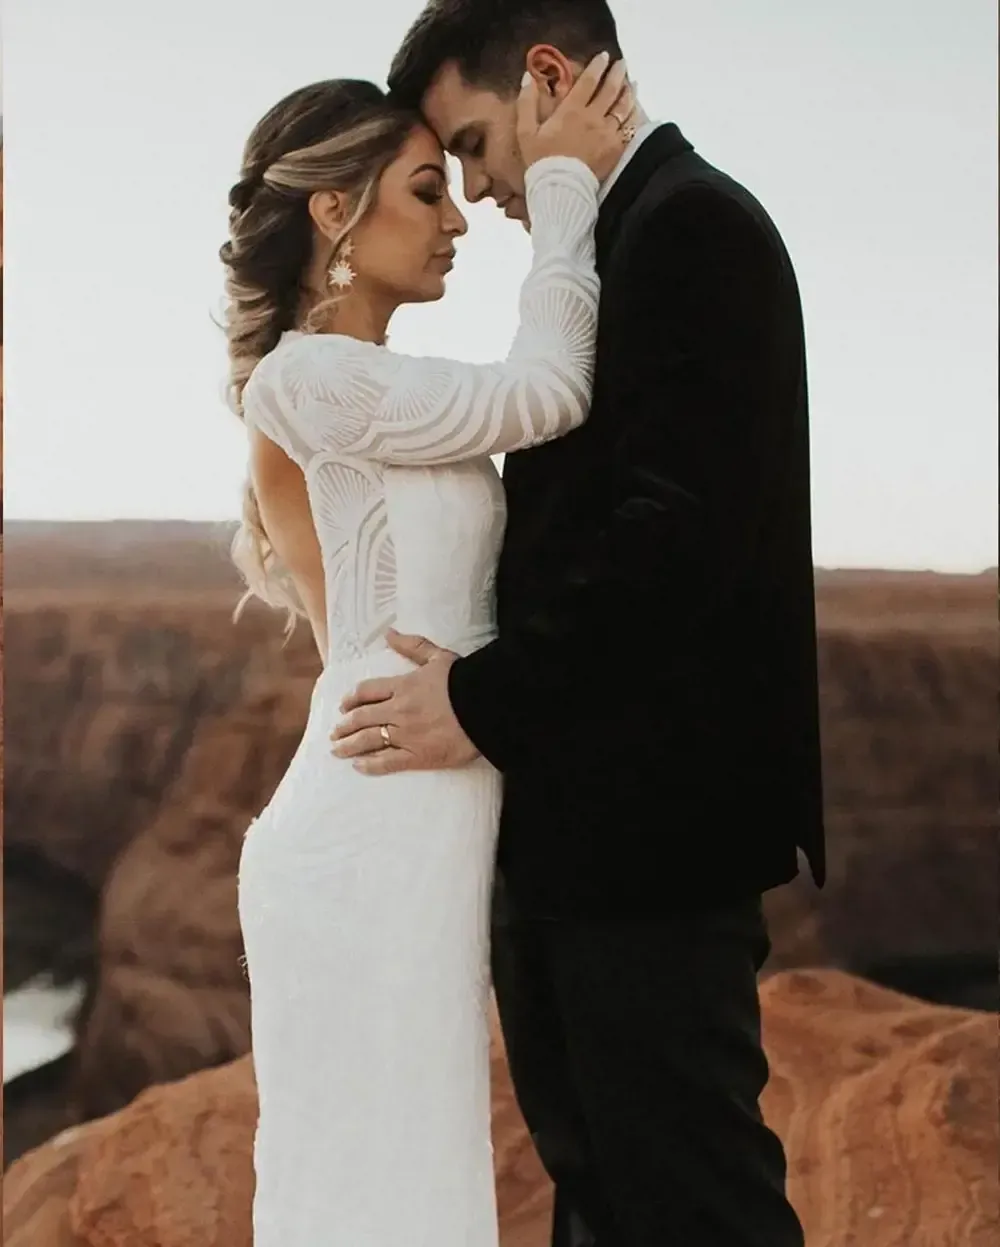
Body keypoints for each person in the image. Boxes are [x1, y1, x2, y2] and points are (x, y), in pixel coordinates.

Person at [330, 1, 826, 1243]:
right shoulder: (616, 241)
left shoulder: (691, 228)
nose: (481, 189)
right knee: (604, 1197)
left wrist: (475, 702)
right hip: (585, 834)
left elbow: (673, 544)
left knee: (691, 1203)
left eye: (478, 147)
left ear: (547, 77)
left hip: (652, 847)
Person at [226, 65, 633, 1245]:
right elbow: (553, 389)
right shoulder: (312, 376)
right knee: (377, 1188)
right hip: (366, 842)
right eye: (425, 189)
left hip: (426, 826)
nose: (458, 218)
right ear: (332, 210)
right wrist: (561, 182)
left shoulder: (380, 387)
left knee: (416, 1177)